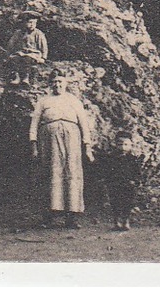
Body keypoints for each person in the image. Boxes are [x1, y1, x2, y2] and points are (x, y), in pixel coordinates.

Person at [29, 74, 96, 228]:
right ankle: (49, 217)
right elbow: (34, 123)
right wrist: (33, 144)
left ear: (65, 83)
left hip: (72, 138)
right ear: (50, 84)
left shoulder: (73, 100)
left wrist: (87, 145)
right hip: (48, 140)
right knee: (51, 173)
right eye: (54, 82)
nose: (57, 84)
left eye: (60, 81)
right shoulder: (43, 101)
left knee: (71, 172)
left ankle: (71, 217)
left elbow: (84, 124)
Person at [97, 132, 148, 231]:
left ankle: (126, 220)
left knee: (128, 203)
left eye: (126, 145)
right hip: (115, 184)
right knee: (115, 202)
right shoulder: (111, 158)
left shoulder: (133, 159)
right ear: (115, 144)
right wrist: (107, 180)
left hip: (128, 185)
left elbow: (137, 172)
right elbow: (106, 171)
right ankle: (116, 221)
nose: (123, 147)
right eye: (120, 144)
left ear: (131, 145)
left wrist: (136, 181)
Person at [6, 13, 50, 85]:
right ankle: (16, 77)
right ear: (24, 23)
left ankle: (26, 77)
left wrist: (43, 58)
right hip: (21, 52)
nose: (32, 24)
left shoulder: (38, 33)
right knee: (15, 59)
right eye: (30, 22)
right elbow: (11, 44)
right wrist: (8, 55)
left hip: (33, 53)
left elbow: (44, 46)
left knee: (27, 59)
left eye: (34, 22)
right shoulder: (18, 33)